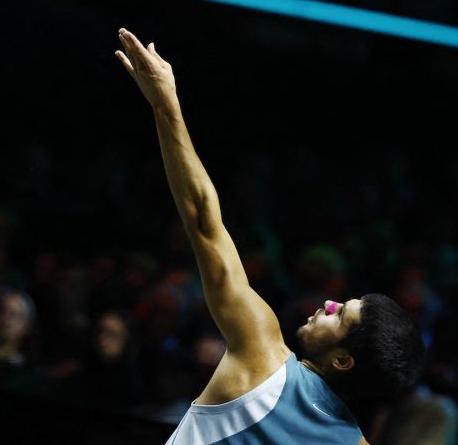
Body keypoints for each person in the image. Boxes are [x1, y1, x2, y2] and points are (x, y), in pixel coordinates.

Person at [114, 28, 424, 444]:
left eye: (340, 315)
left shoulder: (262, 352)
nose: (329, 304)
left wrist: (165, 104)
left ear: (344, 360)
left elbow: (204, 222)